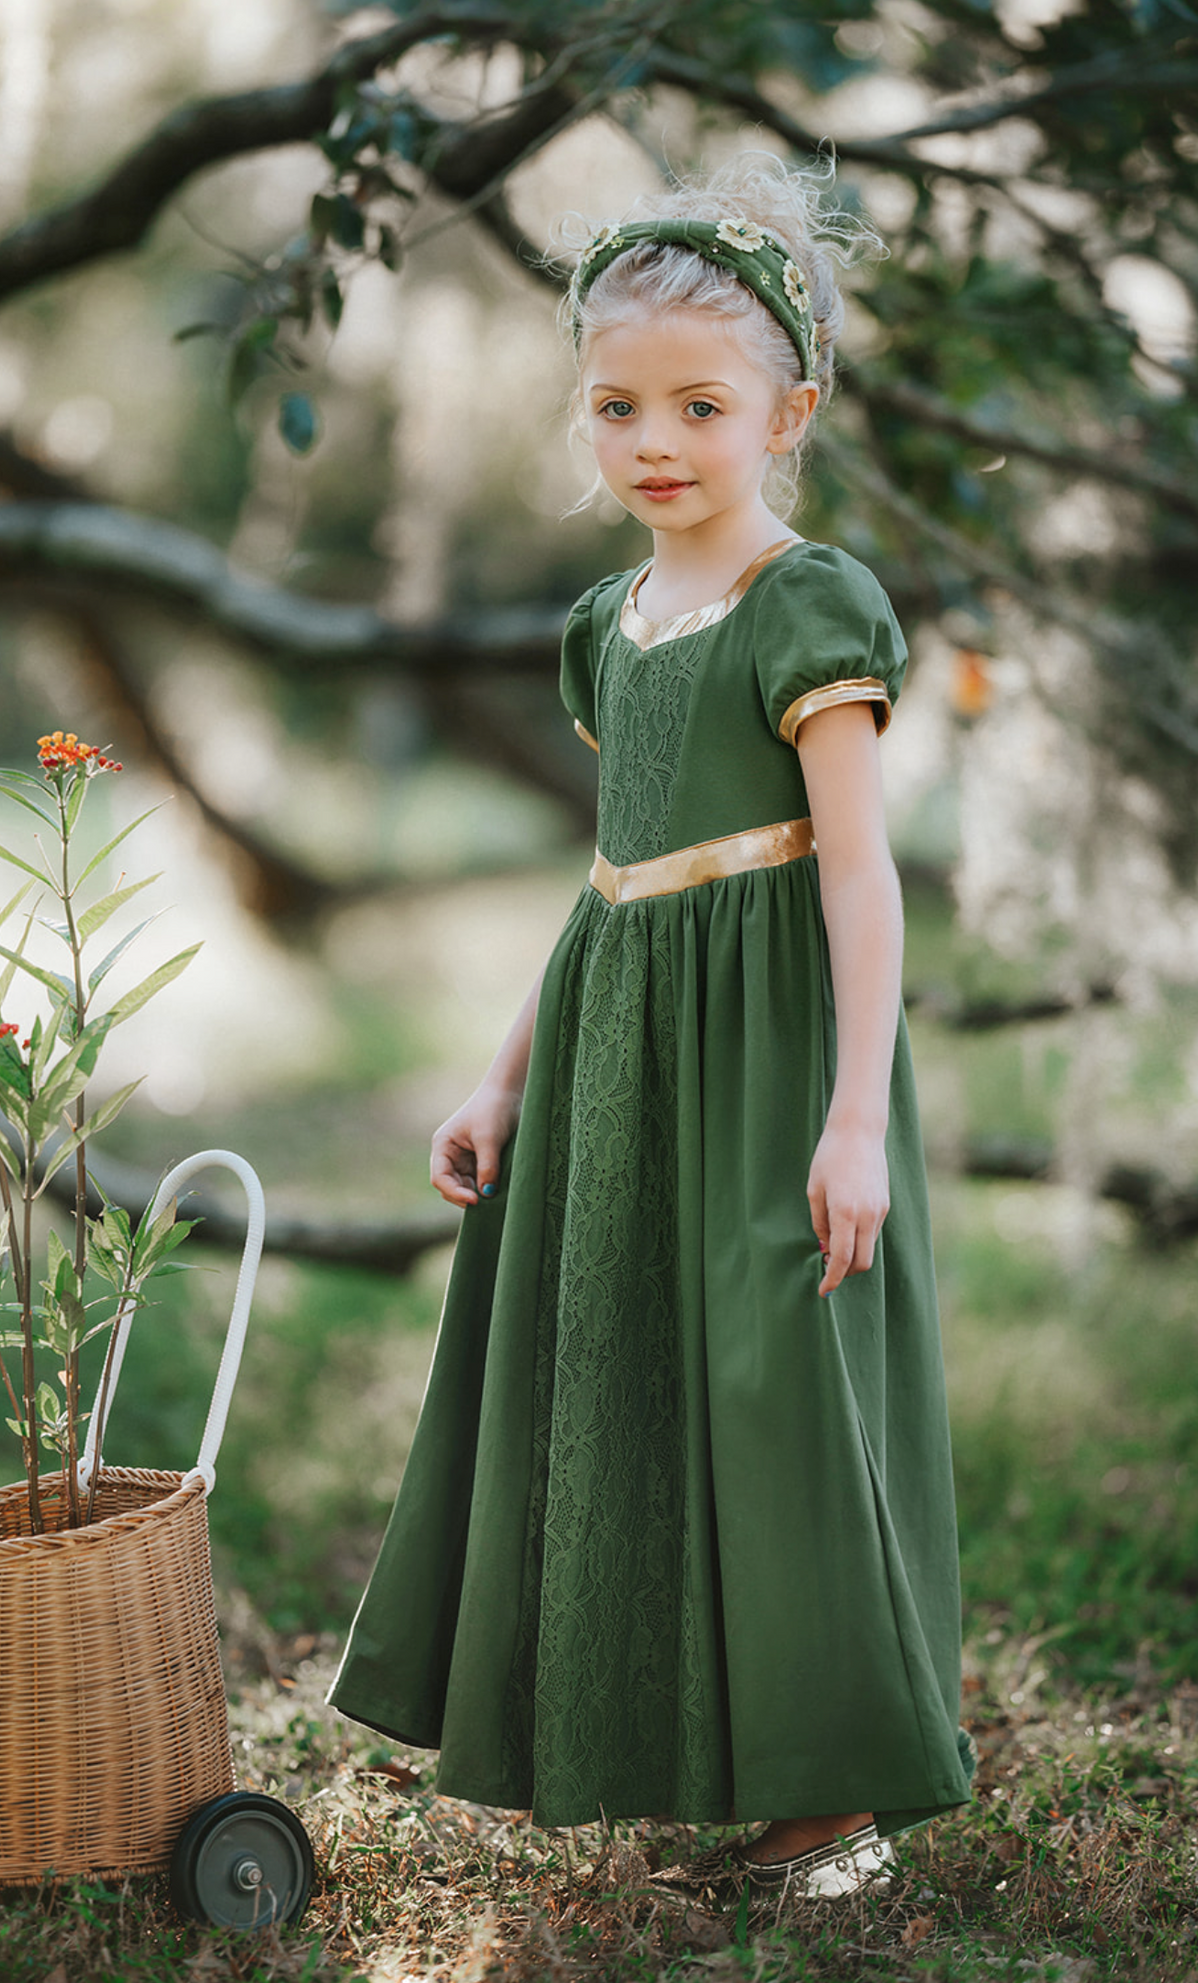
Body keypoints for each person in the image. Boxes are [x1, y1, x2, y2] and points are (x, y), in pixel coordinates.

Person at [329, 154, 973, 1896]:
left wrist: (852, 1114)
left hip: (770, 1065)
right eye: (617, 407)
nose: (656, 440)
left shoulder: (806, 605)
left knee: (775, 1385)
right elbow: (612, 885)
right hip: (625, 1057)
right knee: (634, 1379)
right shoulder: (608, 625)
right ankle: (670, 1741)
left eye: (701, 403)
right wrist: (502, 1074)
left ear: (791, 412)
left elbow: (859, 880)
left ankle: (839, 1797)